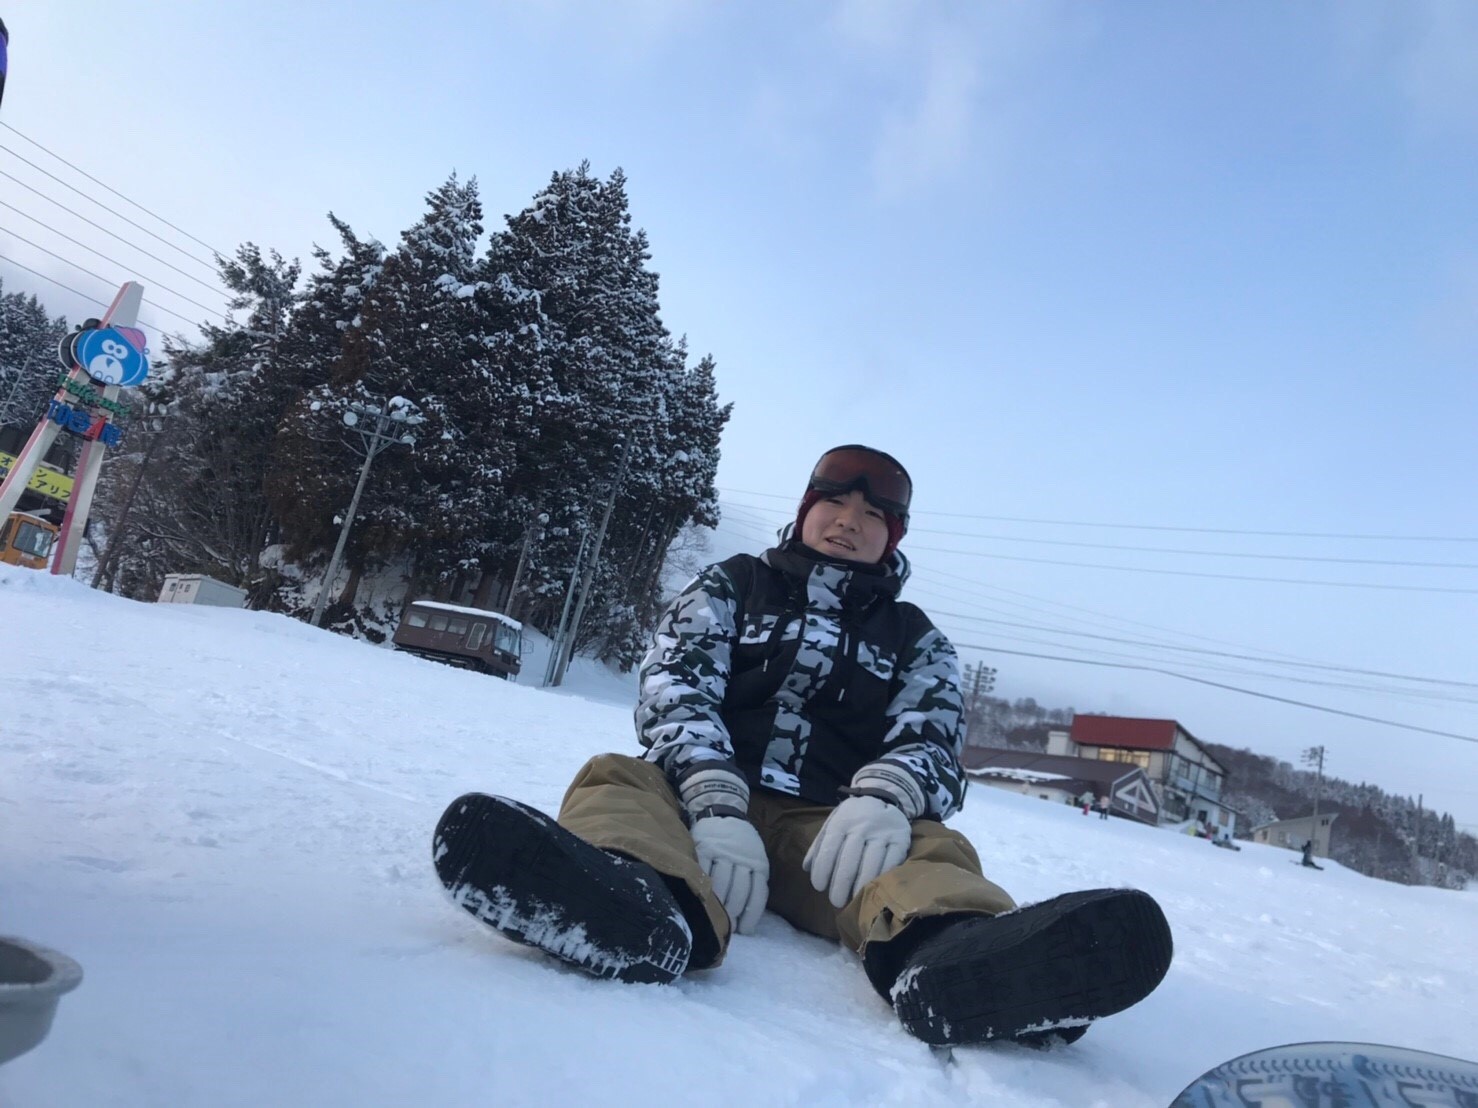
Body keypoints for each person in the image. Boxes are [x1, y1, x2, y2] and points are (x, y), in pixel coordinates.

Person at [432, 445, 1173, 1047]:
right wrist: (712, 795)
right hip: (697, 805)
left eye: (873, 515)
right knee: (617, 778)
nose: (850, 522)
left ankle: (957, 957)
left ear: (893, 537)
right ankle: (639, 904)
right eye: (835, 503)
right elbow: (674, 684)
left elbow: (934, 737)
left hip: (830, 835)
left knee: (930, 848)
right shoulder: (734, 584)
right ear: (806, 509)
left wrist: (887, 797)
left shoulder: (915, 637)